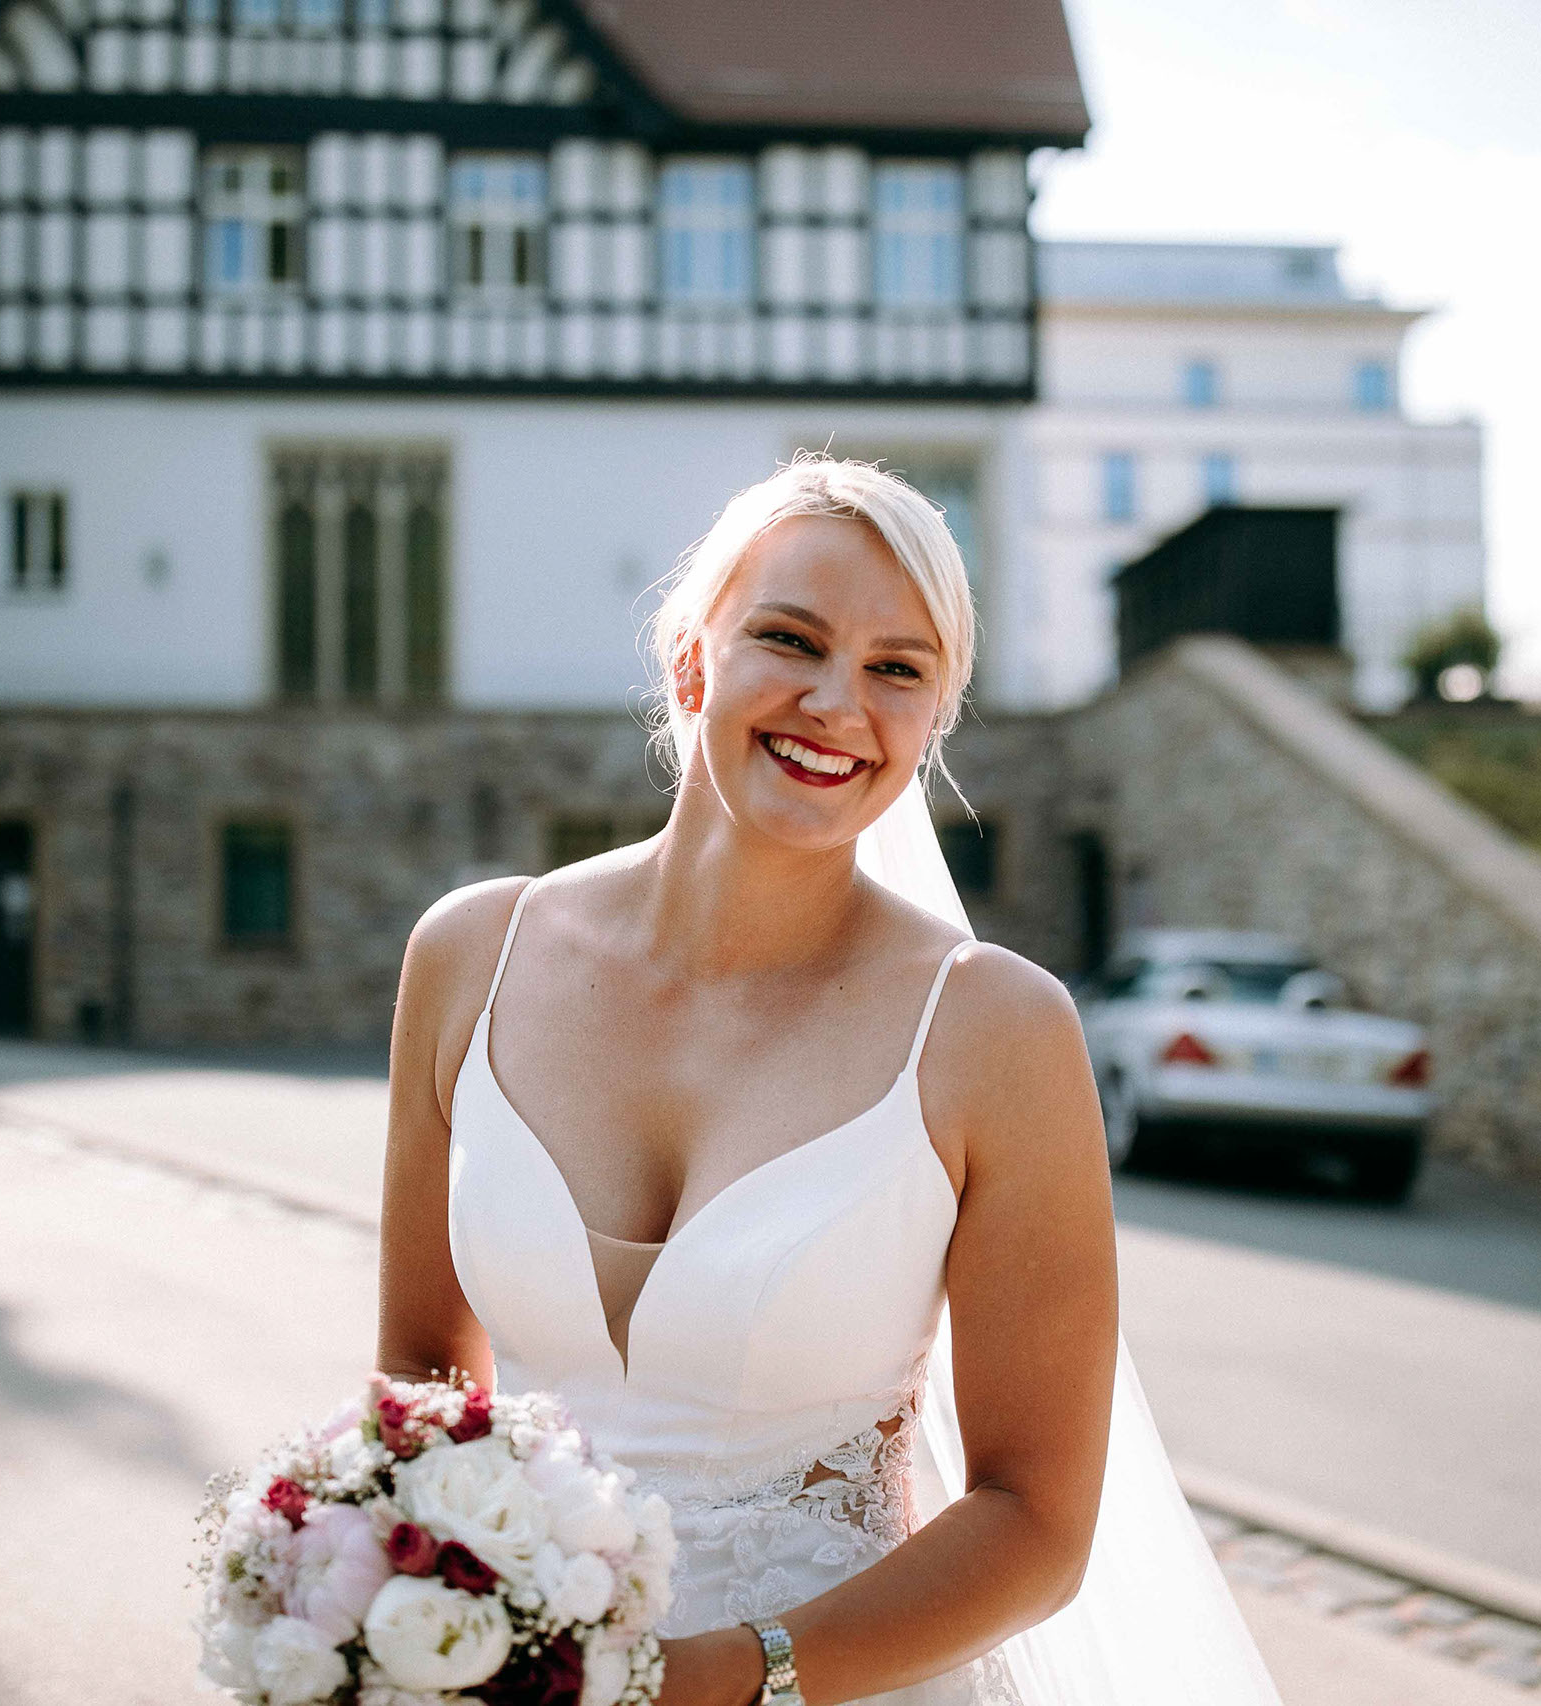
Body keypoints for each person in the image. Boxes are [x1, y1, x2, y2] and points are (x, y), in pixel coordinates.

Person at [377, 457, 1277, 1705]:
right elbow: (423, 1367)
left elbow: (1034, 1517)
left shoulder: (996, 1031)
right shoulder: (470, 954)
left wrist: (710, 1679)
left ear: (931, 722)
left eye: (898, 669)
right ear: (693, 660)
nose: (836, 702)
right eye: (788, 638)